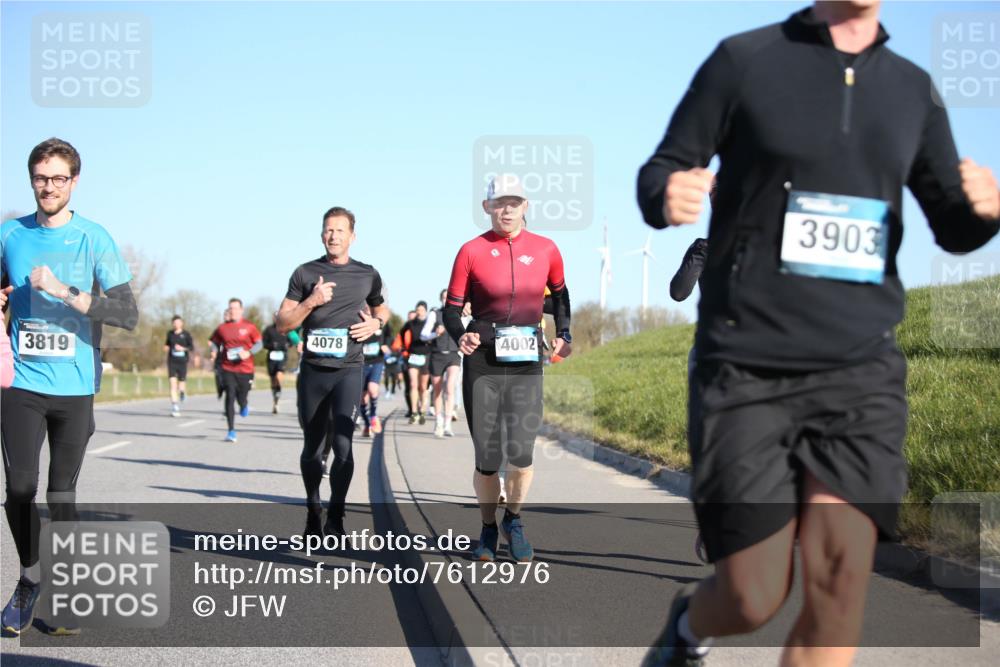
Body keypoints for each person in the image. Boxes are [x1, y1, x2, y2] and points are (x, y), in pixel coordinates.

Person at [636, 3, 1000, 665]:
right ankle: (689, 627)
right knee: (753, 593)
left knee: (837, 591)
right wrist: (668, 193)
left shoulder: (912, 89)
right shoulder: (744, 60)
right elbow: (661, 167)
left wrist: (987, 210)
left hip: (860, 372)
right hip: (746, 367)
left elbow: (953, 223)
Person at [1, 137, 138, 636]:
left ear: (74, 182)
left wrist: (67, 292)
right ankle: (30, 578)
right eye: (41, 178)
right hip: (21, 381)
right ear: (31, 179)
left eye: (59, 178)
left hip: (75, 385)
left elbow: (126, 313)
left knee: (61, 495)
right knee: (19, 487)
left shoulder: (93, 238)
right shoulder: (10, 235)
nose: (48, 187)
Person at [443, 173, 573, 563]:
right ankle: (486, 527)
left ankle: (513, 520)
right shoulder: (471, 250)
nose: (507, 209)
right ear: (487, 207)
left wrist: (564, 332)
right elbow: (451, 310)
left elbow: (562, 297)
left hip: (526, 359)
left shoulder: (547, 248)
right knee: (487, 454)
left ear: (525, 206)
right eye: (500, 202)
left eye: (514, 202)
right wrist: (460, 334)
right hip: (483, 358)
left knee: (521, 451)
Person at [275, 206, 389, 538]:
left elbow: (381, 306)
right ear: (321, 234)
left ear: (352, 236)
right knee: (312, 448)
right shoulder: (305, 273)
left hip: (349, 370)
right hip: (313, 371)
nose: (333, 235)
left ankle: (336, 515)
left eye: (340, 230)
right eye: (328, 229)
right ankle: (314, 509)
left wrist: (376, 323)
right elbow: (282, 323)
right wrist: (311, 301)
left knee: (343, 444)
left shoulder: (367, 274)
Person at [209, 298, 261, 443]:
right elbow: (214, 342)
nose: (232, 311)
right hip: (228, 367)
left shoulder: (249, 326)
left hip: (245, 368)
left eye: (235, 308)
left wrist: (249, 352)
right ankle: (231, 431)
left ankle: (244, 404)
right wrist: (213, 351)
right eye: (230, 308)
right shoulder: (222, 328)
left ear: (241, 310)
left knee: (242, 396)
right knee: (229, 395)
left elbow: (259, 343)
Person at [423, 288, 461, 437]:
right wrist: (435, 333)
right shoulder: (434, 314)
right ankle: (438, 421)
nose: (446, 300)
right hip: (437, 354)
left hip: (454, 354)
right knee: (437, 389)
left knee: (450, 387)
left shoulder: (460, 314)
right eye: (444, 298)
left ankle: (447, 424)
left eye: (449, 298)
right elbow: (424, 335)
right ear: (441, 299)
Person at [358, 309, 392, 437]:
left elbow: (389, 335)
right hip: (361, 362)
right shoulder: (358, 318)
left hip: (377, 360)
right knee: (362, 397)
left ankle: (373, 416)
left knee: (373, 389)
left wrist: (386, 345)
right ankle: (367, 425)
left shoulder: (380, 319)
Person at [401, 302, 432, 424]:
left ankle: (422, 410)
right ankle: (414, 412)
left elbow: (435, 335)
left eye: (422, 310)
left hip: (426, 355)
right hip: (413, 355)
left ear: (426, 311)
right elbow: (402, 332)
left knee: (423, 387)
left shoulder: (429, 323)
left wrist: (431, 343)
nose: (419, 312)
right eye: (418, 310)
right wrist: (405, 346)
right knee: (413, 384)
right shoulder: (410, 323)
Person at [164, 315, 194, 417]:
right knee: (172, 385)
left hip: (182, 362)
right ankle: (175, 406)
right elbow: (167, 344)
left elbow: (191, 347)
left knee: (181, 385)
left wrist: (182, 349)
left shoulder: (186, 334)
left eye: (178, 322)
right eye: (174, 323)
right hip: (172, 361)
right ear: (173, 324)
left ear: (181, 323)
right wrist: (166, 348)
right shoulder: (170, 334)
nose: (176, 324)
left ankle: (182, 393)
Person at [262, 318, 292, 413]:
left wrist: (287, 345)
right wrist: (271, 346)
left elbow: (292, 341)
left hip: (282, 356)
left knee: (279, 377)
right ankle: (275, 401)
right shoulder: (268, 329)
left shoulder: (286, 329)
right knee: (272, 381)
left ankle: (277, 399)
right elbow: (264, 343)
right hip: (271, 357)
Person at [212, 307, 231, 399]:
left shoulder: (238, 328)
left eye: (228, 315)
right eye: (225, 315)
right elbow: (212, 342)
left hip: (232, 359)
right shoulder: (220, 328)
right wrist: (213, 351)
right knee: (218, 376)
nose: (226, 316)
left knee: (230, 382)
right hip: (220, 358)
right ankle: (220, 389)